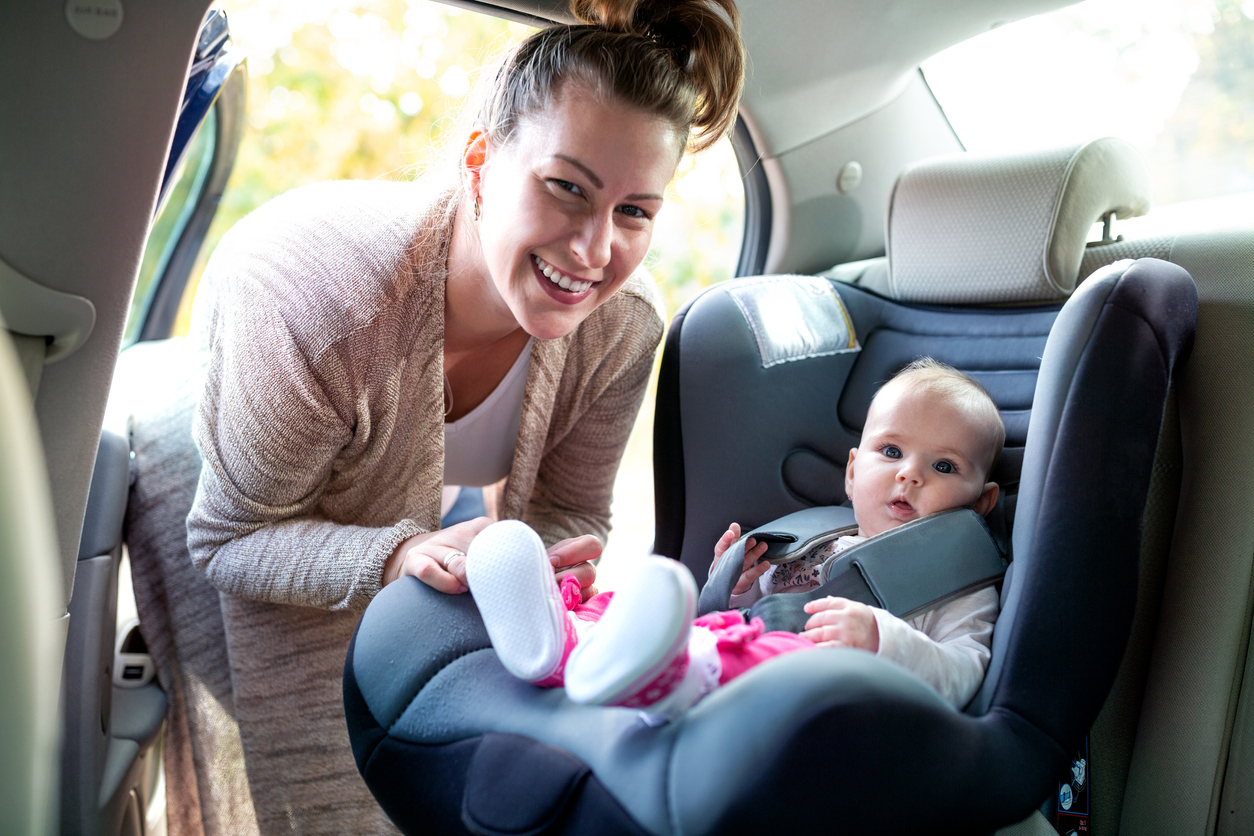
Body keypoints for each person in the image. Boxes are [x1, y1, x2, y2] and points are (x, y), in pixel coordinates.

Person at [144, 2, 747, 832]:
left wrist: (544, 564)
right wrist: (397, 555)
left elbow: (570, 509)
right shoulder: (314, 301)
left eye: (635, 211)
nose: (594, 250)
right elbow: (230, 536)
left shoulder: (624, 323)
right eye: (566, 188)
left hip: (421, 499)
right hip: (221, 463)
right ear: (479, 162)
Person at [466, 358, 1005, 719]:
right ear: (852, 470)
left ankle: (668, 677)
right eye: (891, 452)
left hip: (810, 693)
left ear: (982, 503)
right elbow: (752, 613)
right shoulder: (821, 537)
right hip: (740, 640)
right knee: (630, 603)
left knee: (758, 651)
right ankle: (563, 637)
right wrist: (738, 584)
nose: (910, 474)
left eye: (942, 465)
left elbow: (964, 674)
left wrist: (882, 640)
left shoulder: (956, 584)